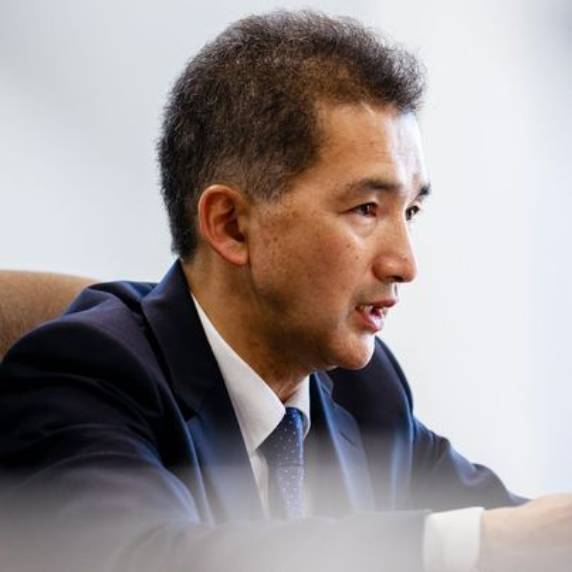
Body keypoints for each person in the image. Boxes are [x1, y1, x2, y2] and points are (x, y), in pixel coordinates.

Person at [0, 10, 570, 572]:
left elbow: (521, 532)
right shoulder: (83, 373)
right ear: (230, 225)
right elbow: (144, 558)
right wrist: (471, 544)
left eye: (411, 211)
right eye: (366, 209)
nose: (404, 264)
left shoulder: (365, 389)